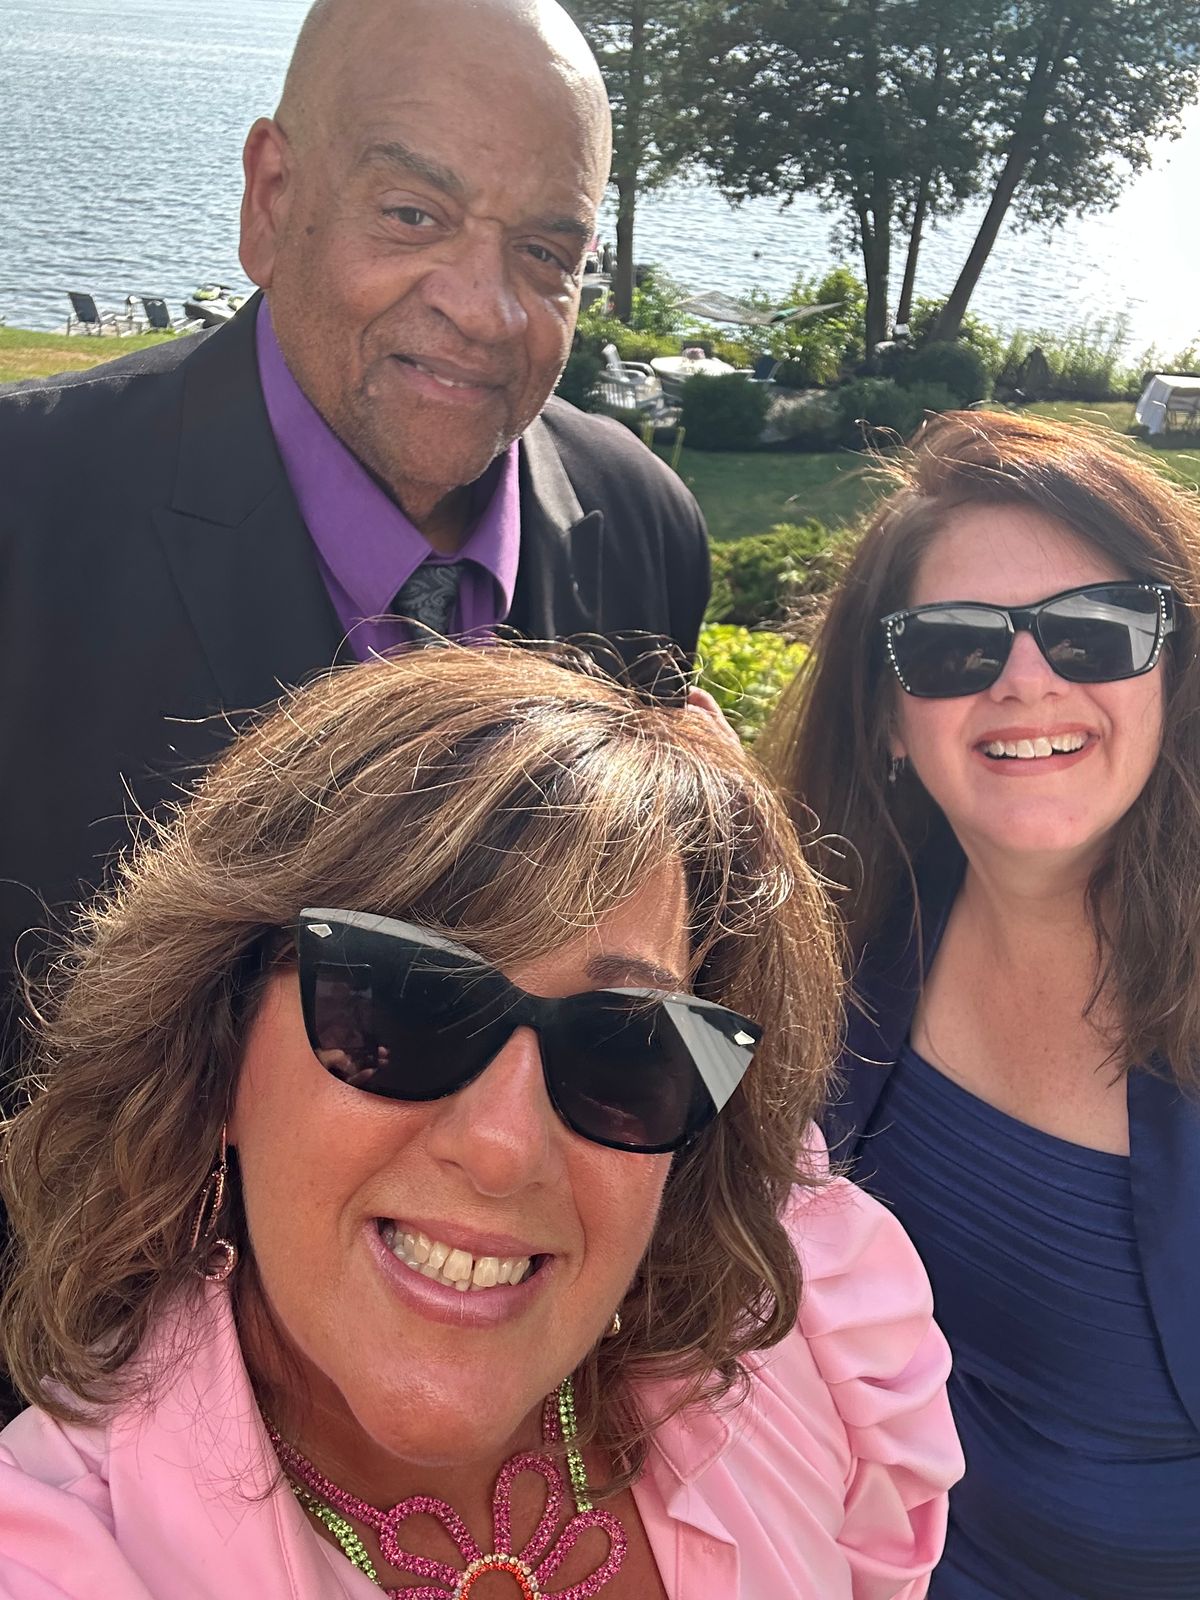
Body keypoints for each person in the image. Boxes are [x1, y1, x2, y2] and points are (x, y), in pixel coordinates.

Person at [0, 645, 962, 1599]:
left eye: (625, 1046)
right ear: (215, 1056)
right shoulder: (58, 1553)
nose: (504, 1149)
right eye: (405, 1004)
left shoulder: (805, 1338)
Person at [0, 0, 710, 1063]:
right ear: (272, 199)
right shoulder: (27, 509)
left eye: (542, 251)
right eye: (414, 215)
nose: (485, 309)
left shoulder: (644, 530)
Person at [762, 409, 1200, 1597]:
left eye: (1099, 633)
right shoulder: (842, 945)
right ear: (888, 720)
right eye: (953, 649)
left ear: (1173, 676)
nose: (1028, 680)